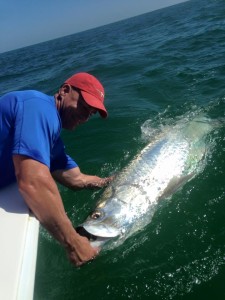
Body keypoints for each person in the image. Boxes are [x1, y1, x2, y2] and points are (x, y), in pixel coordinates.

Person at [0, 72, 113, 267]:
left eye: (91, 113)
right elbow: (32, 182)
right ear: (65, 90)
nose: (85, 116)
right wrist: (74, 243)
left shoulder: (50, 138)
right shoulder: (38, 107)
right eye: (84, 106)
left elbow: (76, 179)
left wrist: (108, 183)